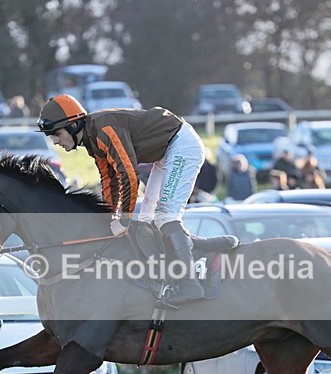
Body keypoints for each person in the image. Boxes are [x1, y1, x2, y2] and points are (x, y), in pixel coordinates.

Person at [38, 94, 206, 306]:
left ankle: (191, 285)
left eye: (56, 134)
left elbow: (128, 175)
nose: (55, 141)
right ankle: (166, 277)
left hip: (181, 145)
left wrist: (124, 219)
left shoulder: (103, 131)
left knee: (164, 216)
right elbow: (109, 179)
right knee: (146, 220)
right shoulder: (91, 139)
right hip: (165, 152)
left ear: (73, 125)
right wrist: (110, 216)